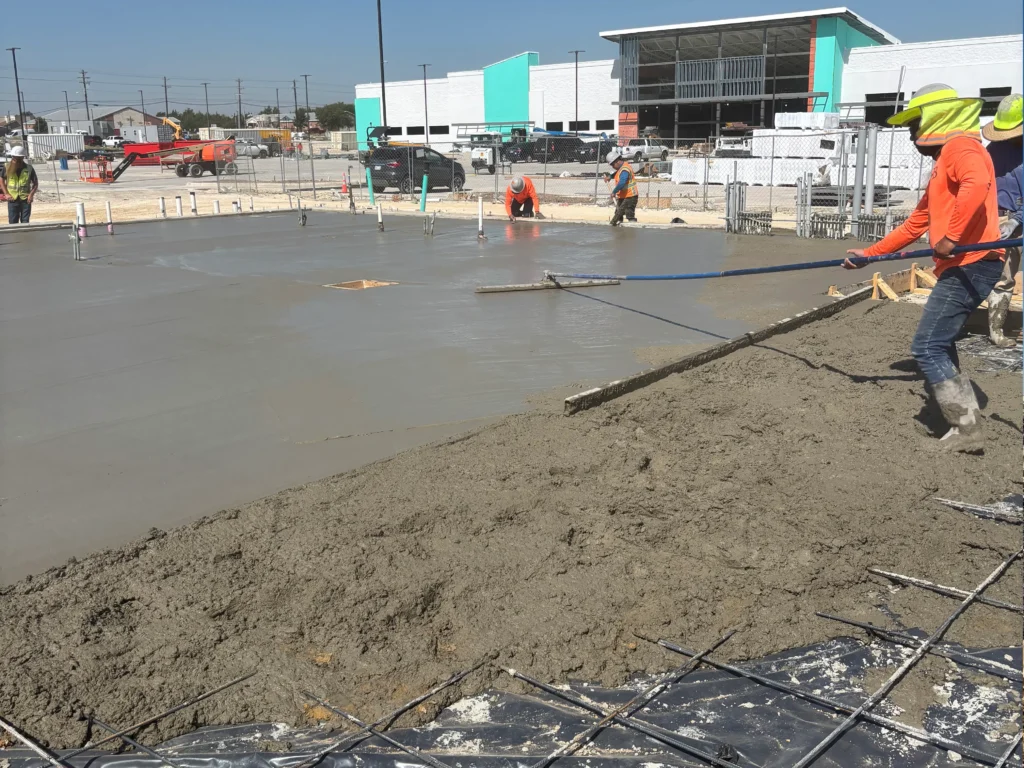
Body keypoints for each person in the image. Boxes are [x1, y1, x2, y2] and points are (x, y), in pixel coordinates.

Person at [843, 83, 1004, 454]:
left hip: (973, 263)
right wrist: (870, 254)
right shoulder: (942, 163)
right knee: (939, 343)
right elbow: (916, 224)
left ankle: (966, 429)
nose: (911, 134)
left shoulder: (961, 147)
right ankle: (963, 413)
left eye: (914, 125)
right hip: (965, 265)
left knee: (927, 345)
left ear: (936, 119)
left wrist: (950, 237)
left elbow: (977, 183)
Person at [981, 93, 1023, 347]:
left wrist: (1016, 220)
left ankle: (996, 330)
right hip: (988, 217)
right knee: (973, 270)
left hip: (1015, 222)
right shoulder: (994, 150)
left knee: (1005, 276)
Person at [0, 145, 38, 223]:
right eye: (13, 157)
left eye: (16, 158)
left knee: (25, 221)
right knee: (13, 222)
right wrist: (6, 194)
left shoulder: (29, 168)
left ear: (22, 158)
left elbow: (35, 183)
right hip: (12, 199)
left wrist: (31, 195)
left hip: (25, 200)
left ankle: (24, 235)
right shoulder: (7, 167)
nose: (14, 160)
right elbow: (1, 180)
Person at [606, 149, 638, 226]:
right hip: (624, 196)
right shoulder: (621, 168)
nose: (612, 167)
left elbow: (622, 182)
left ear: (617, 161)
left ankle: (631, 230)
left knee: (628, 214)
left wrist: (614, 192)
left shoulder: (625, 169)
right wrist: (610, 176)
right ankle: (619, 233)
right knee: (618, 213)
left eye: (612, 165)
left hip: (630, 196)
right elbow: (617, 174)